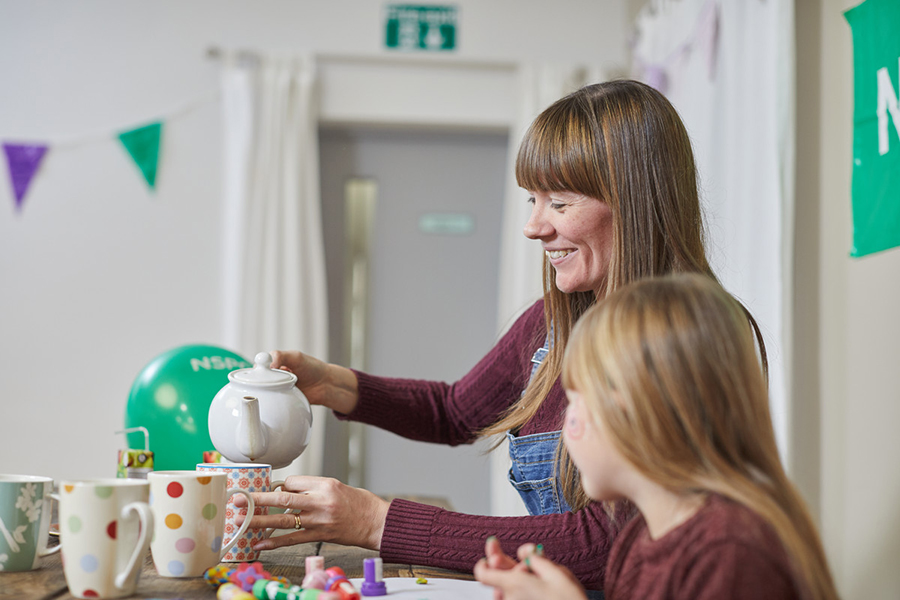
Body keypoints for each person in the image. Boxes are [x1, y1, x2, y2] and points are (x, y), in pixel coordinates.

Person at [235, 80, 766, 594]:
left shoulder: (689, 338)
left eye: (560, 203)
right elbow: (454, 411)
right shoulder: (552, 325)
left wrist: (376, 521)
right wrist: (330, 382)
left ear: (634, 201)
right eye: (532, 200)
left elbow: (612, 540)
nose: (535, 226)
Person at [474, 274, 839, 600]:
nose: (565, 420)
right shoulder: (640, 538)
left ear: (629, 411)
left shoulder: (730, 551)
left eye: (575, 398)